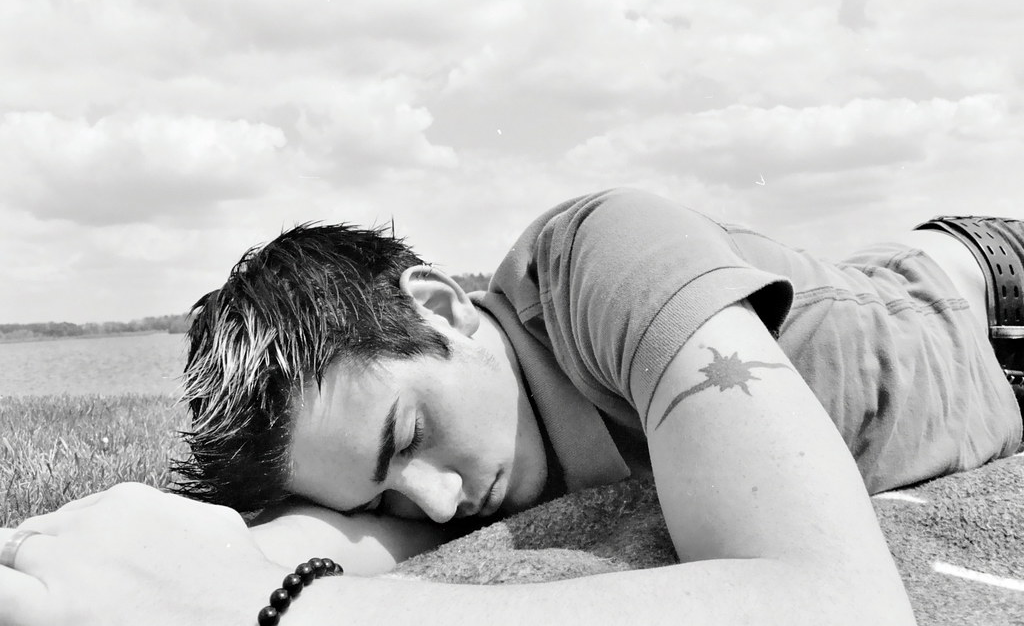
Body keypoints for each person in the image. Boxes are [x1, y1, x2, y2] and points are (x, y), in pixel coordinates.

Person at [1, 187, 1021, 626]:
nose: (439, 503)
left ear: (440, 308)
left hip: (959, 289)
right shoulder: (445, 468)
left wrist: (288, 611)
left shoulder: (596, 256)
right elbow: (276, 543)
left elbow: (842, 606)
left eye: (407, 435)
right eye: (390, 497)